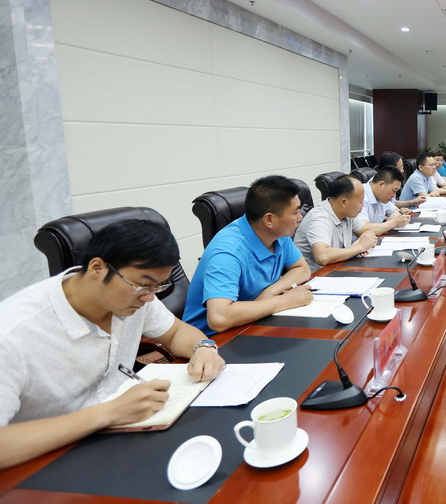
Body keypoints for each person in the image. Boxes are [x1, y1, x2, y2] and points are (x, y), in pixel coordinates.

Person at [0, 219, 226, 469]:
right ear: (97, 268)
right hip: (45, 461)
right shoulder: (12, 334)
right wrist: (110, 412)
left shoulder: (136, 299)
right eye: (143, 285)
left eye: (158, 286)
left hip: (123, 438)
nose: (149, 297)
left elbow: (174, 332)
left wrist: (203, 347)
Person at [184, 175, 313, 335]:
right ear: (269, 219)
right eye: (295, 212)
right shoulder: (227, 252)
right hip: (214, 339)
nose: (300, 217)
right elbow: (219, 318)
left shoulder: (279, 234)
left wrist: (270, 293)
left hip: (254, 322)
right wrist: (285, 300)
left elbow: (302, 269)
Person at [294, 175, 379, 272]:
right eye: (360, 201)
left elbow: (367, 230)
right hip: (315, 276)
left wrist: (361, 242)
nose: (363, 205)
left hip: (338, 269)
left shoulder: (348, 213)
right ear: (344, 202)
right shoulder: (319, 218)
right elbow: (322, 256)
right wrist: (360, 247)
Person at [358, 166, 412, 235]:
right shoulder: (360, 196)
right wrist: (393, 223)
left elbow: (396, 211)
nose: (394, 196)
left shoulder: (382, 196)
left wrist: (394, 217)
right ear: (381, 185)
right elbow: (363, 229)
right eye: (393, 191)